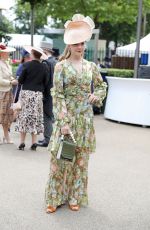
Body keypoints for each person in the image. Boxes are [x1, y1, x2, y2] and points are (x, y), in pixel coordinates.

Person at [45, 14, 107, 213]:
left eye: (82, 43)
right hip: (67, 120)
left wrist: (97, 95)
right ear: (69, 46)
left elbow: (102, 86)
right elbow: (58, 94)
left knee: (80, 163)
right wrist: (62, 121)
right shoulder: (61, 67)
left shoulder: (91, 67)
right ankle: (54, 198)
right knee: (60, 161)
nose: (80, 47)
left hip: (85, 121)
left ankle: (74, 196)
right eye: (76, 44)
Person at [15, 46, 49, 151]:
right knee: (35, 118)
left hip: (26, 94)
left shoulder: (26, 65)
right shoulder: (45, 67)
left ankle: (22, 142)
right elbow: (46, 82)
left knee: (23, 118)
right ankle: (34, 142)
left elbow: (20, 80)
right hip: (37, 95)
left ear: (33, 54)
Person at [37, 41, 57, 147]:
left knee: (47, 117)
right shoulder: (55, 61)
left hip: (47, 93)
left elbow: (46, 80)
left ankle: (48, 139)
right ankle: (48, 138)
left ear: (44, 51)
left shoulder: (46, 63)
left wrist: (42, 92)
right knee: (49, 116)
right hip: (53, 92)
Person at [0, 43, 18, 144]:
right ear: (2, 53)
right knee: (1, 115)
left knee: (7, 115)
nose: (9, 54)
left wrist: (13, 79)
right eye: (7, 52)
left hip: (8, 91)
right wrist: (11, 82)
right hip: (1, 92)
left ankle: (6, 136)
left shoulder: (7, 63)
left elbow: (9, 75)